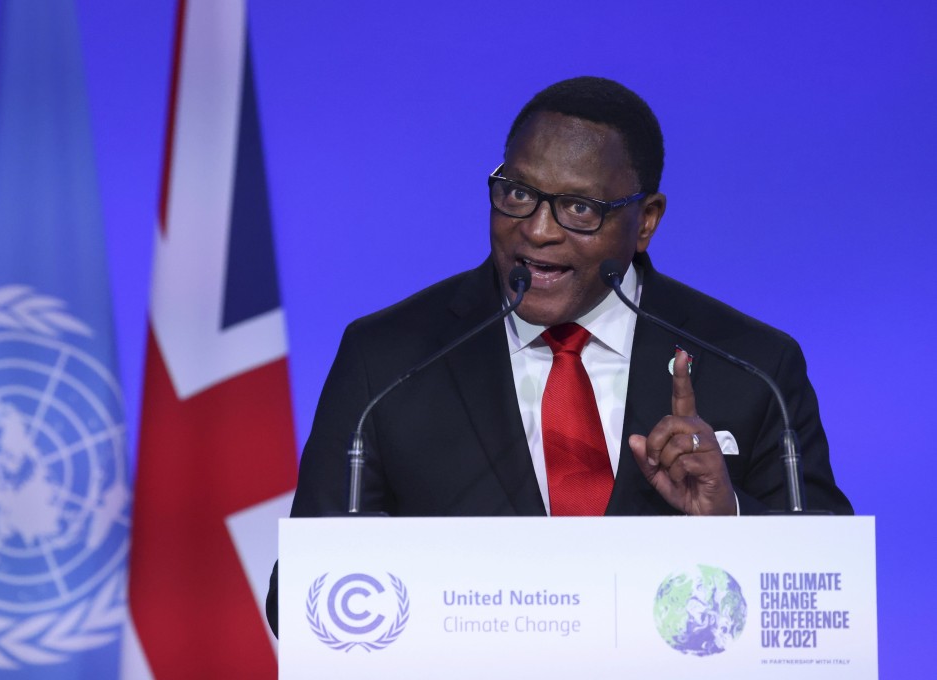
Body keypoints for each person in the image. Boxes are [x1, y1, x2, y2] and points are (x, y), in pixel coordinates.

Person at [267, 76, 852, 634]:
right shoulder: (390, 359)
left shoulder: (751, 366)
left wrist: (731, 521)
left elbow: (828, 598)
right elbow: (294, 605)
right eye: (518, 193)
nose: (537, 231)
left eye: (578, 208)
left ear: (645, 221)